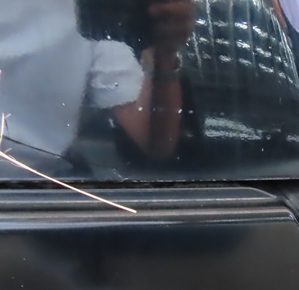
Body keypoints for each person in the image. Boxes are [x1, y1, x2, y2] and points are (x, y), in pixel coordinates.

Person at [0, 0, 194, 177]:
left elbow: (154, 142)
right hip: (40, 188)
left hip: (42, 189)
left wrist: (162, 53)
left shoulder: (90, 10)